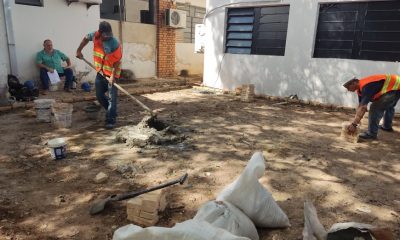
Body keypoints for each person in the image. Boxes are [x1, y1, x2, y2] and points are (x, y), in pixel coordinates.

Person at [76, 21, 122, 129]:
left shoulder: (114, 43)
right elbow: (85, 38)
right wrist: (79, 50)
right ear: (100, 33)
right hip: (100, 72)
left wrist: (113, 76)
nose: (107, 38)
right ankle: (112, 112)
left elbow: (117, 62)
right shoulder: (94, 35)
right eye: (105, 36)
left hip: (112, 73)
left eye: (109, 35)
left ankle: (110, 120)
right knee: (99, 96)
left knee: (112, 98)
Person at [343, 74, 400, 140]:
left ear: (354, 82)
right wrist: (357, 120)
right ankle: (387, 126)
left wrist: (354, 124)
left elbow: (363, 108)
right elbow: (360, 107)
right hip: (396, 85)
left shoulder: (366, 87)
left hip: (395, 87)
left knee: (375, 108)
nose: (348, 90)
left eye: (348, 87)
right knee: (388, 105)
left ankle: (371, 134)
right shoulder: (360, 89)